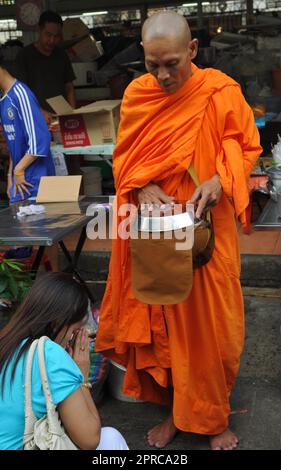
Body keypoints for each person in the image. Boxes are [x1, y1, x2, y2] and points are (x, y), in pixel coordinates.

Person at [95, 12, 262, 450]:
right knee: (164, 319)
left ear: (192, 50)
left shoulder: (221, 91)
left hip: (209, 227)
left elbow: (246, 147)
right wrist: (143, 184)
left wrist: (220, 180)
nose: (163, 75)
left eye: (172, 63)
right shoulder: (137, 95)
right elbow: (124, 158)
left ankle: (211, 415)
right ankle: (177, 411)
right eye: (153, 65)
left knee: (214, 327)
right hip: (157, 230)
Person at [0, 272, 129, 451]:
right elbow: (90, 439)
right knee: (110, 439)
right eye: (75, 330)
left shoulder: (6, 341)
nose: (72, 338)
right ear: (57, 323)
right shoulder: (49, 354)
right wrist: (81, 376)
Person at [0, 60, 55, 203]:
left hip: (35, 180)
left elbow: (40, 140)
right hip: (20, 180)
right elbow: (15, 144)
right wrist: (10, 176)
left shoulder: (20, 94)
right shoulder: (4, 99)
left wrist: (18, 170)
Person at [15, 10, 76, 126]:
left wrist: (72, 113)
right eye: (48, 35)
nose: (52, 41)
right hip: (35, 120)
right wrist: (39, 111)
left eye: (56, 36)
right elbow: (20, 93)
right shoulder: (24, 55)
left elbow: (69, 88)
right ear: (39, 30)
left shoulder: (62, 55)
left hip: (61, 120)